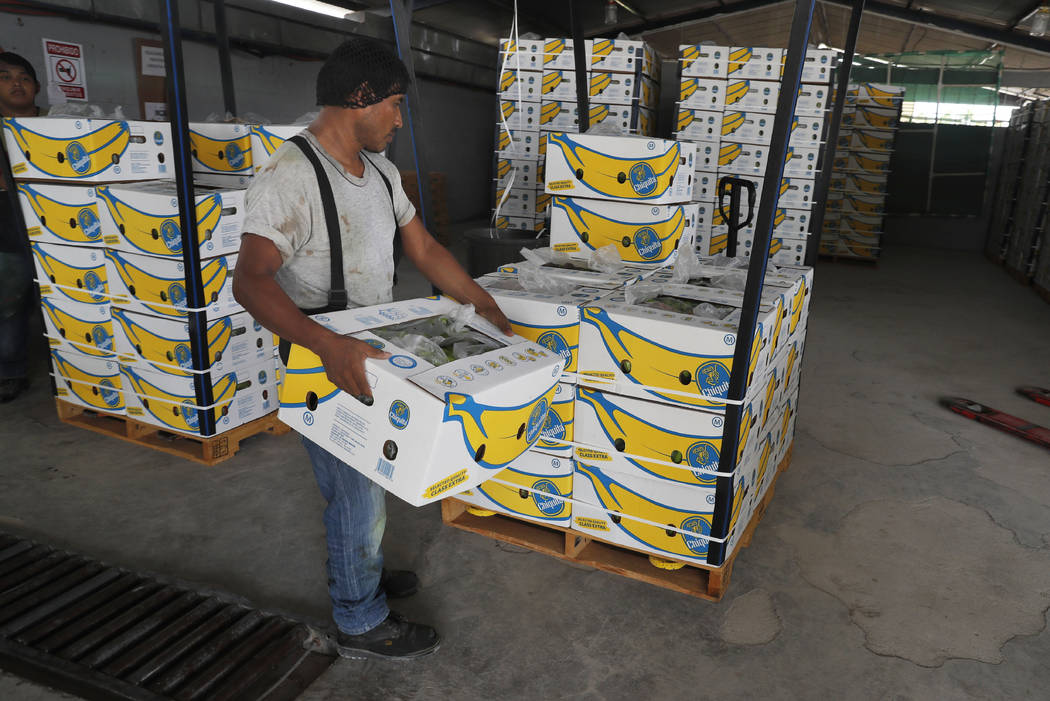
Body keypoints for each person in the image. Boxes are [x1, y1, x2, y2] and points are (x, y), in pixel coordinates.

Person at [232, 36, 512, 661]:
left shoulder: (381, 172)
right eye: (394, 104)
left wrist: (484, 306)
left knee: (369, 476)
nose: (398, 118)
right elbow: (249, 280)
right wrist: (326, 343)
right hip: (321, 353)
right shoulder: (289, 176)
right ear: (360, 98)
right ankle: (359, 617)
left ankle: (361, 574)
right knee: (356, 487)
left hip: (375, 349)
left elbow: (426, 249)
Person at [0, 51, 44, 403]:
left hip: (57, 223)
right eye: (5, 77)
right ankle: (10, 370)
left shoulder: (54, 126)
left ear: (37, 87)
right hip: (7, 225)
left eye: (24, 77)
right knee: (11, 301)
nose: (16, 83)